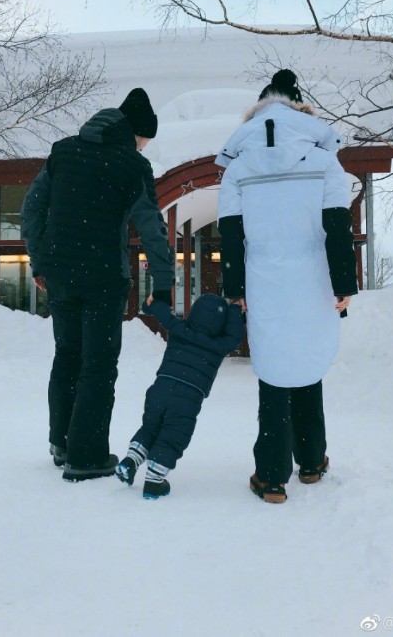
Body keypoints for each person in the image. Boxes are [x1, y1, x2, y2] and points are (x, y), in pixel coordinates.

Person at [216, 69, 358, 504]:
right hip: (313, 278)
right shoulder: (323, 162)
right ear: (300, 108)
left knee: (274, 373)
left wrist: (234, 288)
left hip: (265, 281)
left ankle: (272, 475)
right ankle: (312, 461)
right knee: (308, 365)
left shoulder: (238, 167)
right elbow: (338, 228)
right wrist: (343, 285)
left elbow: (230, 232)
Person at [21, 88, 174, 482]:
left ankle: (62, 442)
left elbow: (33, 207)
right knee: (98, 364)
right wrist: (163, 284)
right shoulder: (131, 164)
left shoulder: (64, 152)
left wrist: (40, 261)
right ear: (136, 133)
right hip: (103, 274)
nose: (144, 147)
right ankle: (86, 457)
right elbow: (153, 229)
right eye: (145, 140)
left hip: (60, 272)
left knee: (67, 354)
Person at [115, 294, 244, 499]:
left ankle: (130, 462)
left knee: (150, 428)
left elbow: (162, 314)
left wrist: (151, 305)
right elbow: (234, 337)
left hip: (160, 389)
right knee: (172, 438)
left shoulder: (179, 329)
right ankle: (154, 483)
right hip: (187, 399)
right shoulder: (219, 345)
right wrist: (236, 310)